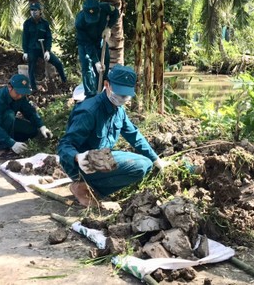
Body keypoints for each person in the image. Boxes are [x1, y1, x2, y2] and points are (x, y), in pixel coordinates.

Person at [57, 64, 170, 206]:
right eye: (119, 93)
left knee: (147, 163)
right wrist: (77, 157)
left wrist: (155, 159)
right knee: (141, 165)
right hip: (83, 164)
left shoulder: (118, 110)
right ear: (107, 85)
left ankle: (92, 188)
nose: (123, 98)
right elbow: (64, 146)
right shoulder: (89, 111)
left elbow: (134, 135)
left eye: (126, 95)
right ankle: (81, 185)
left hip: (102, 157)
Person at [0, 74, 53, 159]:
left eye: (23, 93)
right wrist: (11, 143)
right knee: (9, 114)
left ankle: (8, 140)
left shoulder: (20, 97)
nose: (20, 96)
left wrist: (42, 126)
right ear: (10, 87)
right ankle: (3, 149)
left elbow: (30, 112)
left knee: (32, 131)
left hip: (6, 121)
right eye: (18, 92)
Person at [75, 0, 119, 98]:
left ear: (99, 10)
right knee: (87, 67)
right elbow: (87, 44)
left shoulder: (105, 8)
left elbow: (115, 13)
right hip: (85, 43)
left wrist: (108, 28)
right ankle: (90, 95)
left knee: (104, 66)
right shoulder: (80, 21)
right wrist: (96, 61)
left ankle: (101, 91)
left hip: (100, 40)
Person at [22, 2, 67, 92]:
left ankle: (64, 81)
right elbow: (25, 38)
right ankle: (34, 89)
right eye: (31, 10)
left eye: (35, 10)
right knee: (31, 69)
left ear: (40, 11)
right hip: (32, 49)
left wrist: (47, 51)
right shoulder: (27, 23)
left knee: (58, 63)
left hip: (43, 49)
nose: (33, 12)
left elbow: (49, 37)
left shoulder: (45, 23)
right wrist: (25, 52)